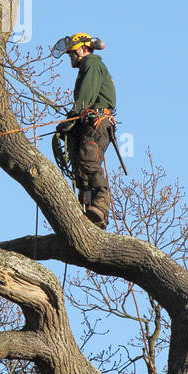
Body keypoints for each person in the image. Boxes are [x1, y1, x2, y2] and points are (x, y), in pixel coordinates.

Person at [56, 32, 117, 228]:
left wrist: (69, 121)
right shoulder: (86, 67)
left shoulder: (91, 64)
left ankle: (100, 205)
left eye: (72, 53)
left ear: (83, 49)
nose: (71, 58)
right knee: (80, 171)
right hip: (89, 124)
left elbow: (84, 99)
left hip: (97, 122)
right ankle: (86, 211)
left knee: (89, 162)